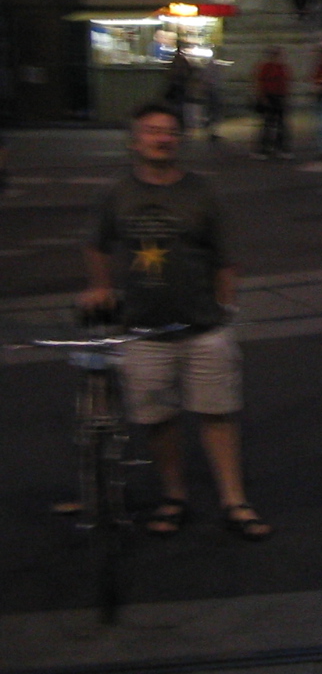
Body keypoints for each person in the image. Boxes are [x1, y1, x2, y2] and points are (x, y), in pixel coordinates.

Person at [81, 103, 271, 540]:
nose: (161, 138)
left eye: (169, 131)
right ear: (135, 140)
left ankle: (234, 501)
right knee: (159, 420)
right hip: (142, 329)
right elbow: (96, 244)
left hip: (203, 327)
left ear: (179, 140)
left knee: (218, 414)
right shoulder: (116, 194)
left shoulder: (202, 192)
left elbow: (225, 258)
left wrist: (226, 313)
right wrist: (100, 286)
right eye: (151, 131)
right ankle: (174, 496)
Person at [252, 48, 292, 159]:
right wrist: (262, 97)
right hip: (270, 96)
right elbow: (260, 82)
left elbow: (285, 83)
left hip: (278, 97)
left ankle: (277, 148)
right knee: (269, 124)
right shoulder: (267, 67)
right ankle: (266, 149)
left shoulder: (280, 67)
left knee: (278, 125)